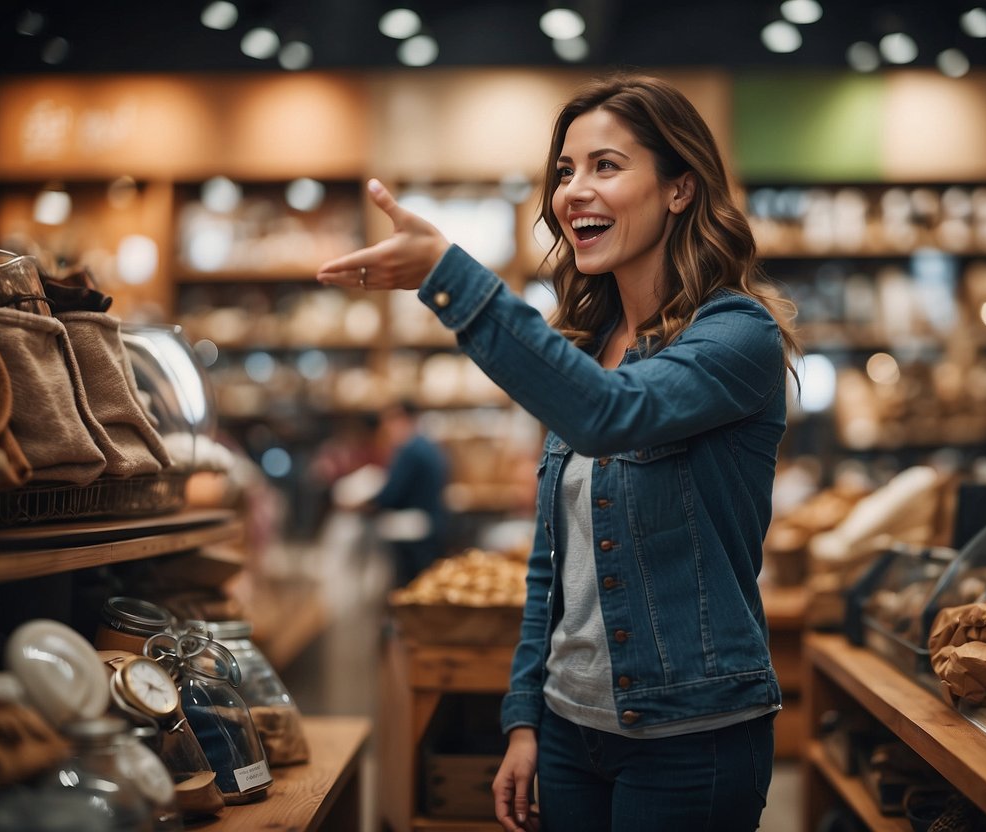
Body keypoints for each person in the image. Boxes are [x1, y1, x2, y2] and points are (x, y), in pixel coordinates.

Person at [318, 73, 800, 832]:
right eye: (565, 172)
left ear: (679, 189)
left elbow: (613, 415)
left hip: (689, 735)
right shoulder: (588, 349)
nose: (573, 190)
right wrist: (524, 719)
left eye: (606, 166)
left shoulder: (737, 337)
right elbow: (552, 566)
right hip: (569, 733)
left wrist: (449, 278)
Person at [367, 398, 450, 588]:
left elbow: (391, 495)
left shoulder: (410, 450)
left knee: (410, 585)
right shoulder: (427, 445)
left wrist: (368, 504)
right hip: (432, 523)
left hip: (414, 528)